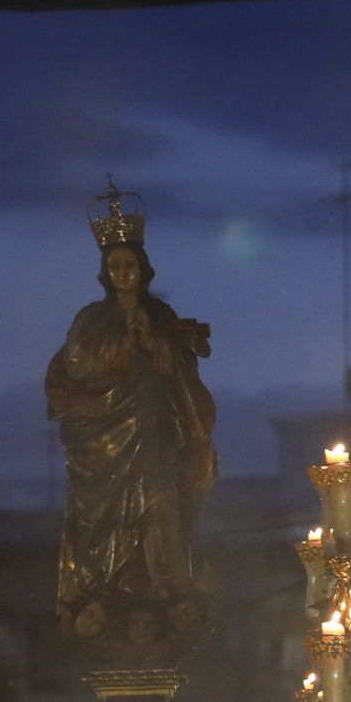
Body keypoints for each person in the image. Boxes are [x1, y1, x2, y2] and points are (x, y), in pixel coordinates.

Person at [45, 184, 217, 665]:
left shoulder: (160, 316)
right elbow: (76, 364)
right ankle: (107, 592)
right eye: (116, 267)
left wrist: (156, 343)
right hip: (105, 442)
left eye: (131, 266)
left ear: (143, 271)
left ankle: (166, 588)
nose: (124, 274)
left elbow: (182, 372)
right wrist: (125, 342)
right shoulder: (92, 319)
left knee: (161, 503)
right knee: (111, 521)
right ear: (106, 273)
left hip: (155, 432)